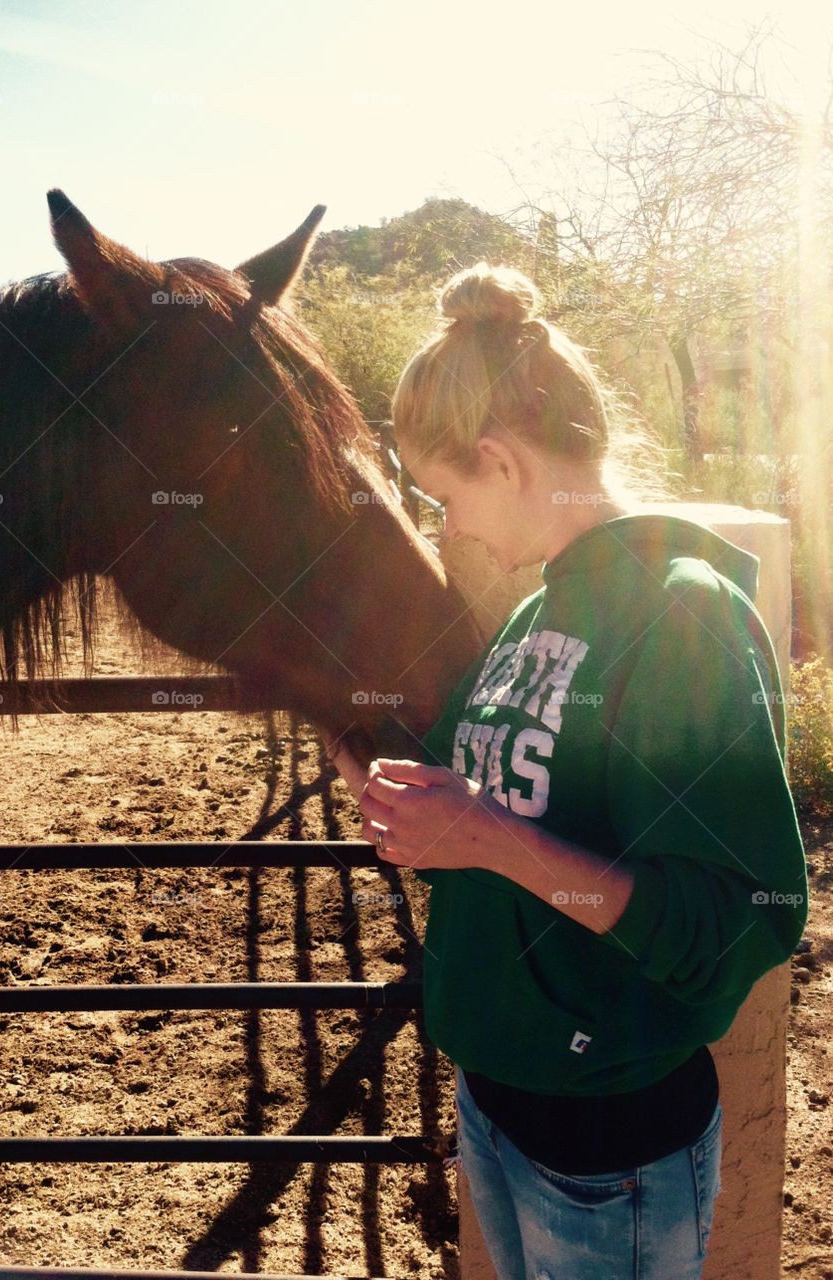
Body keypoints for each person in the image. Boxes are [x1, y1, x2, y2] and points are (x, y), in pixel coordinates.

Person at [323, 263, 809, 1280]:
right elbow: (479, 812)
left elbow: (738, 915)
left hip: (608, 1151)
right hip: (497, 1109)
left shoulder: (682, 611)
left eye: (442, 496)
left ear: (497, 460)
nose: (447, 526)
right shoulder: (533, 614)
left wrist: (489, 837)